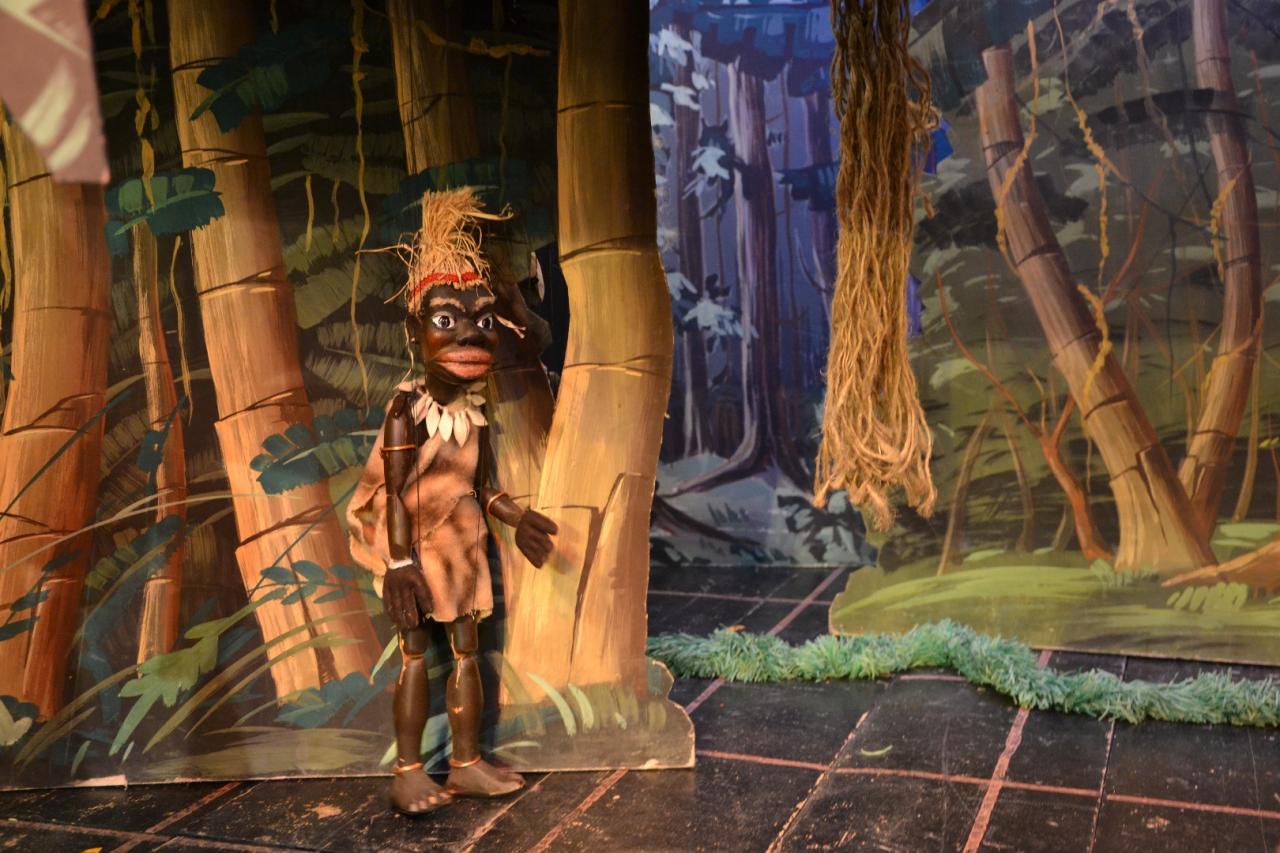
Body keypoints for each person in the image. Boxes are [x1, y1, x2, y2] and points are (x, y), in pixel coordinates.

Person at [346, 187, 558, 815]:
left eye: (484, 322)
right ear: (415, 332)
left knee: (466, 650)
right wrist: (398, 563)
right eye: (446, 321)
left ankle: (464, 763)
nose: (469, 334)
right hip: (415, 551)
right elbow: (393, 490)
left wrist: (517, 517)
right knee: (415, 655)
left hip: (463, 550)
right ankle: (408, 770)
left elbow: (482, 487)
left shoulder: (475, 414)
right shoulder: (405, 411)